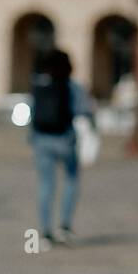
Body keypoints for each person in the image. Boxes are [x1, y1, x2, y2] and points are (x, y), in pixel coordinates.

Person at [28, 49, 96, 249]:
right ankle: (64, 226)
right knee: (71, 180)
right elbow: (83, 110)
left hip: (41, 139)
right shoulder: (72, 86)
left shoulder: (39, 84)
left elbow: (30, 111)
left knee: (45, 185)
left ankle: (45, 232)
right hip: (65, 139)